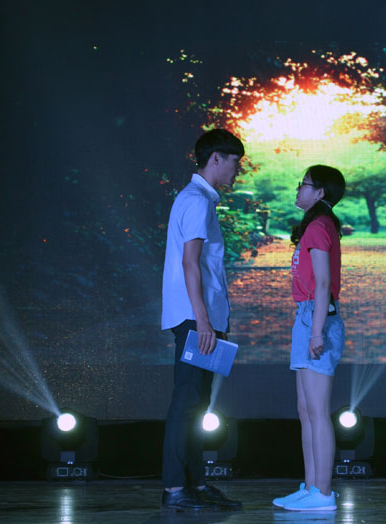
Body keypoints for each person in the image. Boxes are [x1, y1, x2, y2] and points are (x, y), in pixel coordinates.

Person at [160, 129, 244, 510]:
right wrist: (203, 321)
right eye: (234, 161)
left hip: (203, 317)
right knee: (187, 401)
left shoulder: (201, 200)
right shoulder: (195, 200)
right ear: (216, 159)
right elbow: (190, 263)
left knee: (197, 404)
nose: (237, 170)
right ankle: (175, 489)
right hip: (196, 319)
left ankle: (194, 483)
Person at [273, 165, 346, 512]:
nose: (298, 189)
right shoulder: (316, 225)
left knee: (317, 411)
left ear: (320, 192)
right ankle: (312, 486)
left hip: (316, 318)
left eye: (303, 184)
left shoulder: (319, 226)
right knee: (306, 410)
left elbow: (322, 283)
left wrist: (316, 332)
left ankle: (324, 493)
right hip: (306, 316)